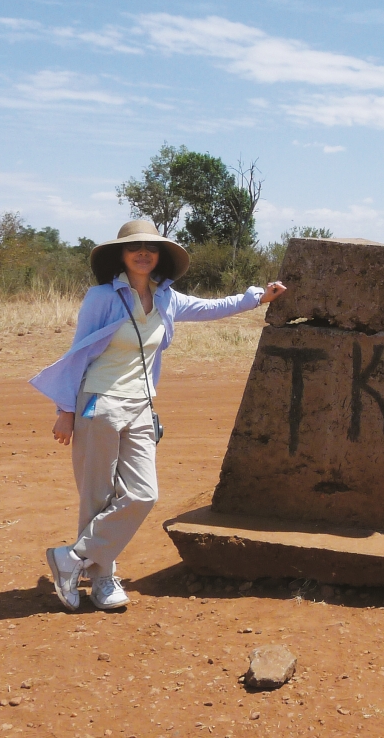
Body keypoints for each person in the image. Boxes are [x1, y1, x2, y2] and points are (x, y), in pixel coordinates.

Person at [30, 220, 286, 611]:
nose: (144, 253)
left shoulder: (168, 298)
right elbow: (77, 352)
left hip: (142, 406)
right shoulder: (101, 297)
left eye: (151, 247)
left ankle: (71, 558)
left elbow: (213, 307)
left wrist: (258, 297)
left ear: (160, 256)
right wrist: (65, 410)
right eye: (135, 248)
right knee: (97, 496)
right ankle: (101, 581)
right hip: (99, 402)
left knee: (143, 493)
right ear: (122, 255)